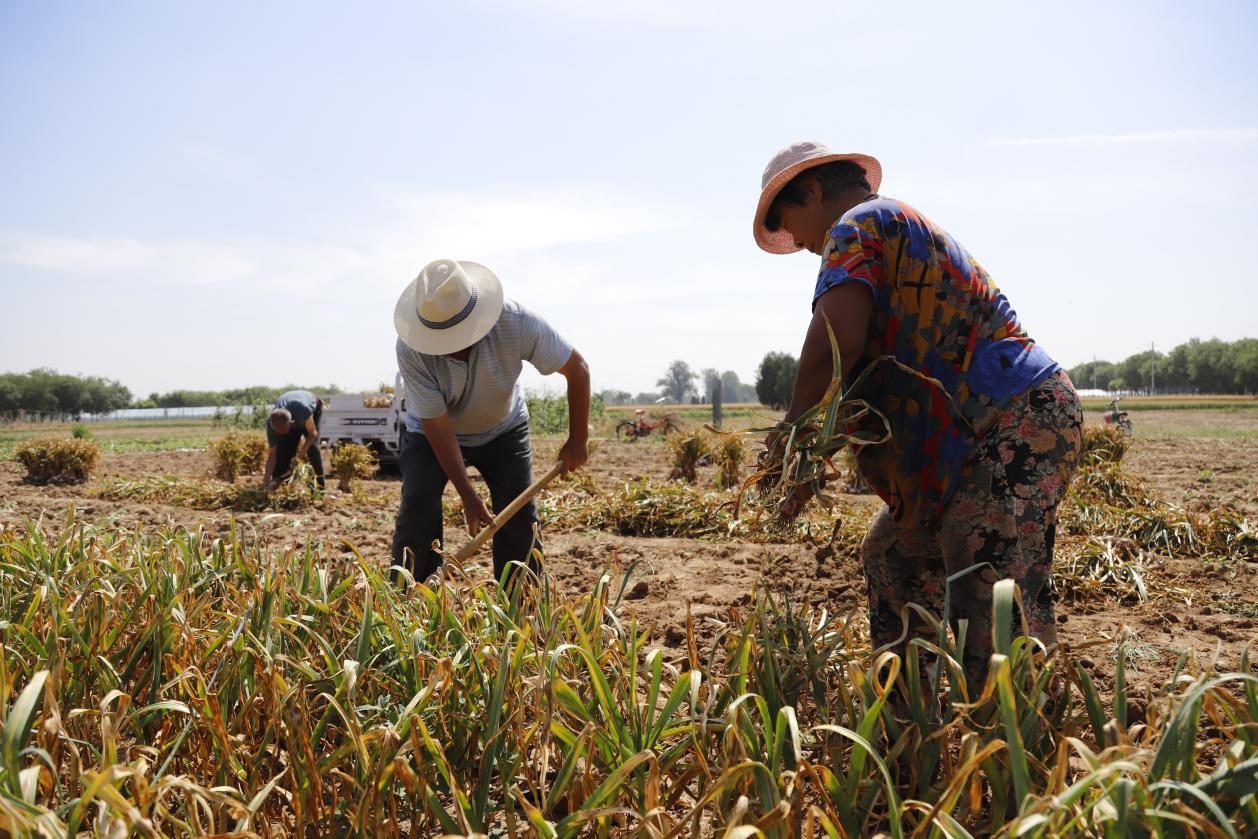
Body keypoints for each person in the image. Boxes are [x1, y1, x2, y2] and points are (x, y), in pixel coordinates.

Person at [753, 140, 1083, 685]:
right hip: (964, 451)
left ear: (812, 192)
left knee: (993, 603)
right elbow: (861, 378)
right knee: (895, 558)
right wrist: (813, 457)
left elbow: (832, 347)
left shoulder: (858, 224)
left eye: (794, 226)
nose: (806, 246)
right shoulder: (886, 233)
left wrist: (791, 437)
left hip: (1006, 427)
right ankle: (911, 732)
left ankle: (1015, 755)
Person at [391, 258, 590, 585]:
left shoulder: (515, 322)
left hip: (503, 431)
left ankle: (521, 605)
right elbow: (438, 428)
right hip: (430, 437)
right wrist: (468, 495)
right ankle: (407, 598)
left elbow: (577, 368)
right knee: (418, 506)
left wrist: (577, 439)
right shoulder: (412, 349)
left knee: (519, 516)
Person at [263, 389, 326, 490]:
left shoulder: (303, 410)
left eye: (283, 431)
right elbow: (272, 457)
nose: (280, 434)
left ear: (292, 424)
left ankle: (320, 488)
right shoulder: (271, 425)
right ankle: (280, 487)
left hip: (310, 406)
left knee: (313, 449)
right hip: (293, 414)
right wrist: (266, 479)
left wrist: (299, 457)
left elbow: (313, 434)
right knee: (283, 452)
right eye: (278, 432)